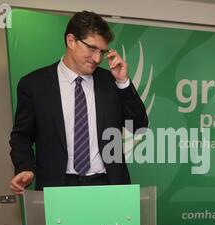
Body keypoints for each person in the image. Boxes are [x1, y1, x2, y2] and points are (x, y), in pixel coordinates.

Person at [9, 11, 148, 195]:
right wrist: (25, 167)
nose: (97, 59)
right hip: (57, 186)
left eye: (102, 51)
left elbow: (139, 127)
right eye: (92, 48)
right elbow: (21, 137)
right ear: (71, 41)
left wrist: (123, 83)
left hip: (108, 185)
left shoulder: (112, 82)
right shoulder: (34, 85)